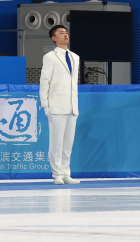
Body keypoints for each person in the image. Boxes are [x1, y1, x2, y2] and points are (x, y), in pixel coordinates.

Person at [39, 25, 80, 185]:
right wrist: (45, 104)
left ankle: (65, 172)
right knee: (56, 141)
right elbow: (45, 81)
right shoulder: (50, 57)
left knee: (68, 142)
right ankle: (56, 173)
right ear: (54, 38)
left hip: (72, 105)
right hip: (56, 104)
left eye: (66, 32)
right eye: (61, 33)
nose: (65, 35)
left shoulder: (75, 57)